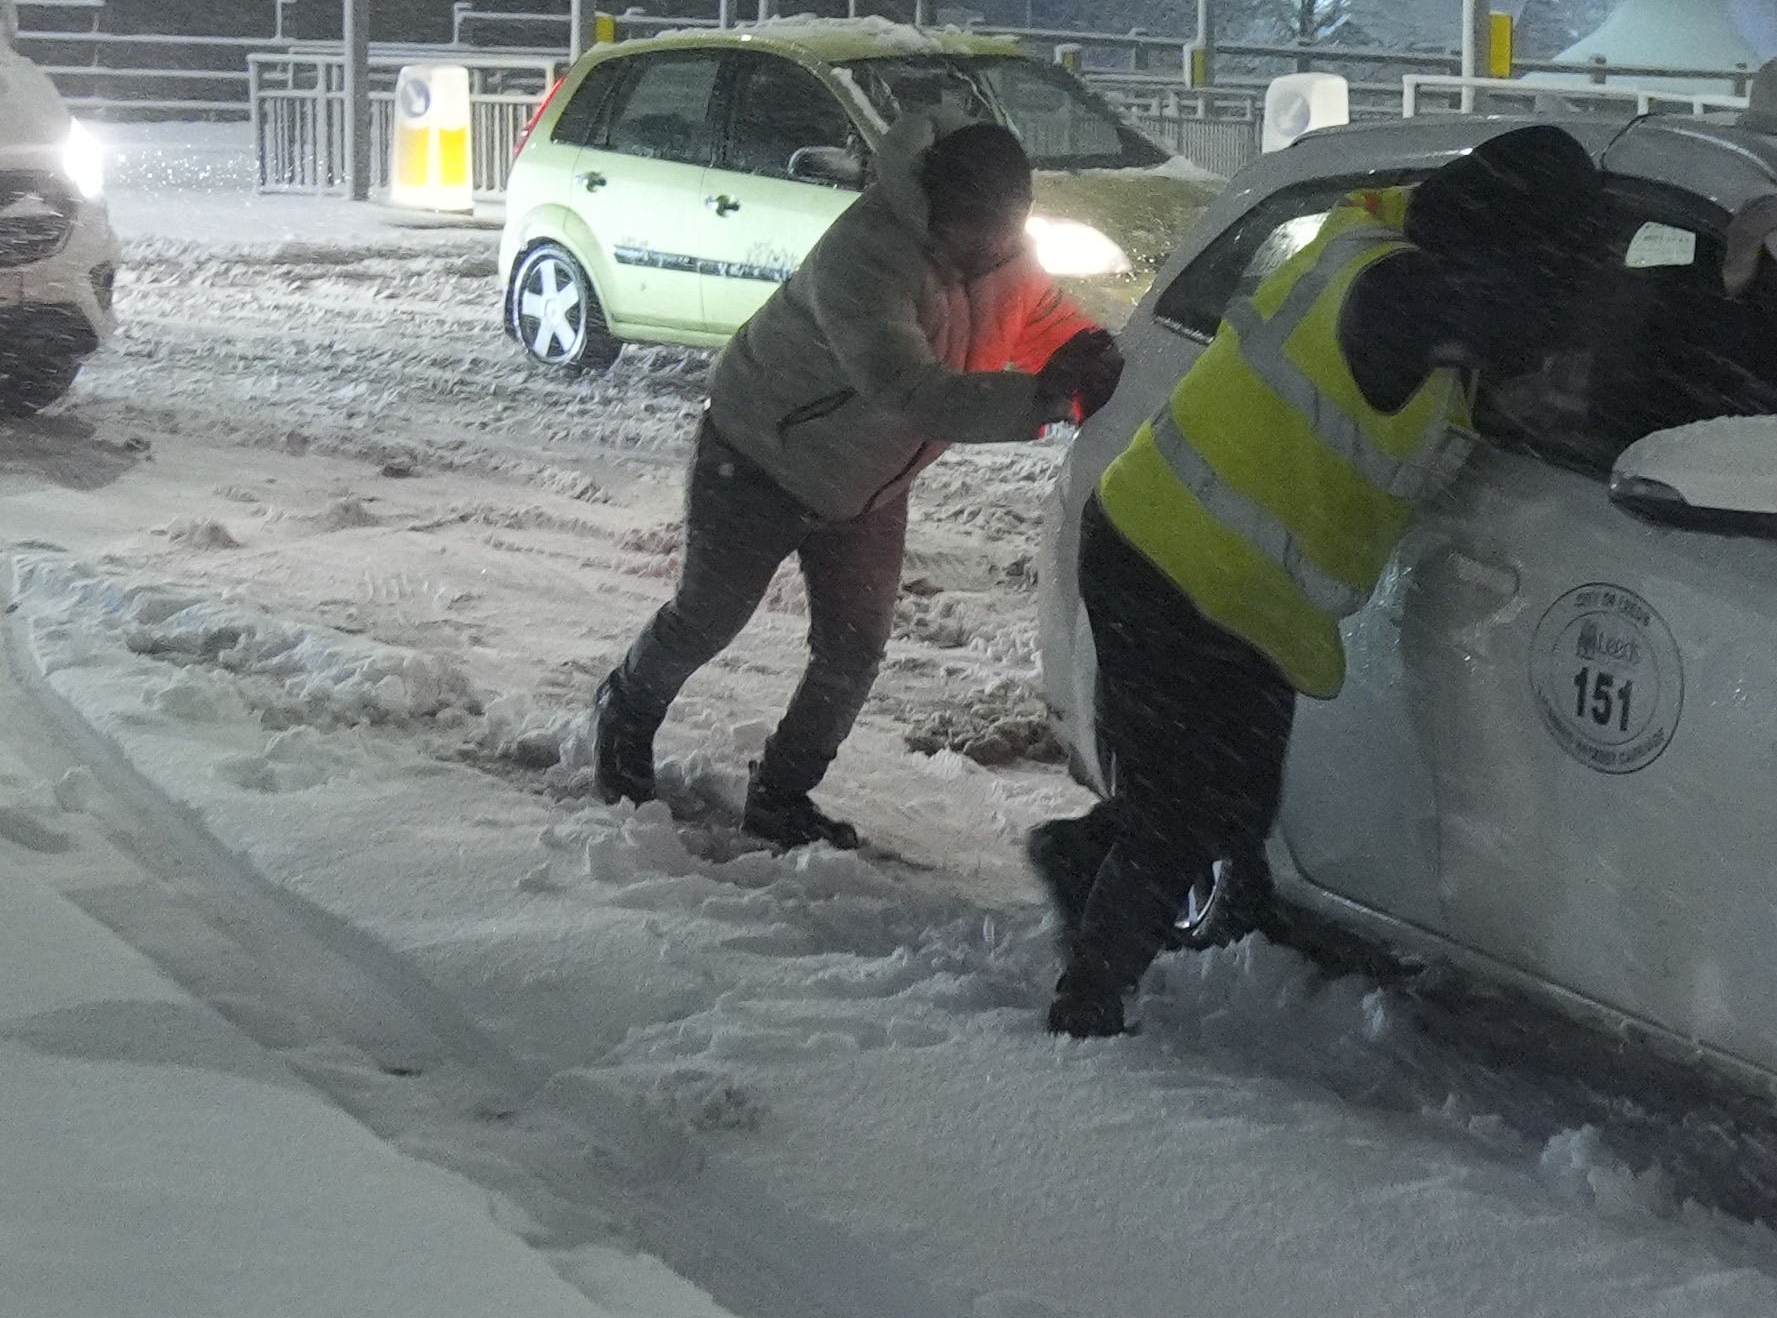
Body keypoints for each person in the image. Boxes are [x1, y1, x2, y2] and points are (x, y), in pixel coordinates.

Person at [1027, 120, 1617, 1034]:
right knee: (1182, 812)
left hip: (1220, 578)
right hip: (1166, 561)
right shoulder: (1404, 293)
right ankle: (1088, 1003)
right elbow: (1518, 325)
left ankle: (1076, 858)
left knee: (1231, 806)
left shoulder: (1380, 245)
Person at [590, 117, 1121, 847]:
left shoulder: (1002, 257)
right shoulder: (864, 256)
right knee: (708, 617)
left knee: (853, 649)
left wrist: (1093, 355)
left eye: (1006, 233)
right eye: (977, 232)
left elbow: (1043, 322)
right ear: (935, 208)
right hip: (758, 458)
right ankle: (624, 711)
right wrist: (1047, 400)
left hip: (866, 485)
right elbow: (907, 389)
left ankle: (781, 794)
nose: (993, 252)